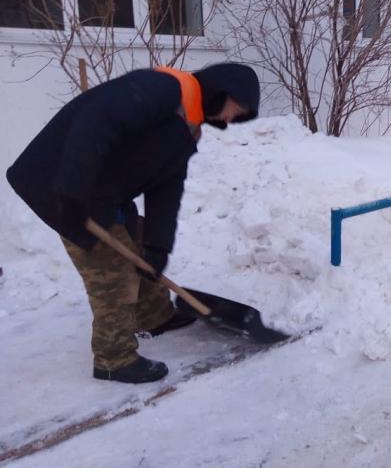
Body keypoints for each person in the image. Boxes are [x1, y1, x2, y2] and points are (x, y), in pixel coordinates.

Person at [6, 63, 260, 384]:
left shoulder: (187, 125)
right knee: (111, 267)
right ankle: (113, 358)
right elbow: (96, 118)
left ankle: (153, 316)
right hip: (60, 182)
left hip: (100, 189)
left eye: (236, 117)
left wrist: (158, 246)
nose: (228, 120)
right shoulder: (162, 89)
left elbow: (166, 188)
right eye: (232, 110)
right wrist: (72, 189)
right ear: (221, 90)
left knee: (139, 243)